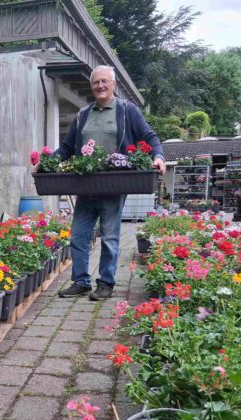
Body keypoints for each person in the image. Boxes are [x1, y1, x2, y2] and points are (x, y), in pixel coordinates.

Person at [54, 65, 165, 300]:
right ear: (91, 86)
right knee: (78, 236)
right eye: (96, 82)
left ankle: (106, 283)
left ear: (113, 84)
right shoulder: (83, 114)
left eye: (105, 81)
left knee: (110, 237)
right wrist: (45, 163)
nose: (100, 86)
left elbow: (150, 136)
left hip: (113, 185)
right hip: (85, 185)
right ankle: (81, 281)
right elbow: (66, 148)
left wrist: (158, 156)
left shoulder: (127, 111)